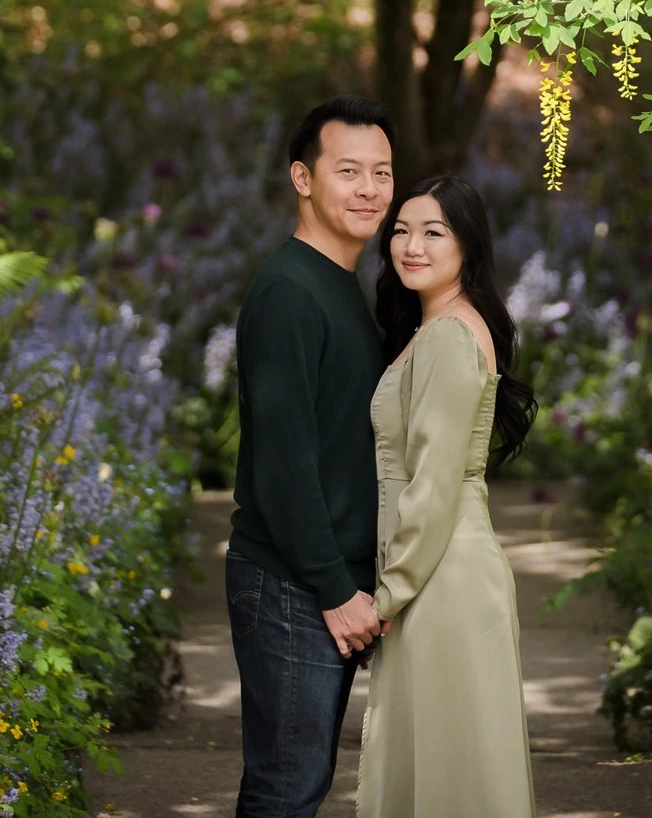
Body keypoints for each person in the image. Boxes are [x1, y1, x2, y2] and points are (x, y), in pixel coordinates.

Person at [228, 97, 395, 818]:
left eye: (382, 172)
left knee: (298, 783)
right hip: (294, 586)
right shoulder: (290, 293)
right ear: (303, 177)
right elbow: (284, 463)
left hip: (321, 582)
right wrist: (334, 589)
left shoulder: (341, 284)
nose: (369, 189)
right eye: (348, 170)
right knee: (285, 790)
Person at [359, 173, 538, 818]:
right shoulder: (440, 329)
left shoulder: (446, 338)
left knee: (450, 774)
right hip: (441, 568)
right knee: (442, 766)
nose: (412, 246)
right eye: (401, 231)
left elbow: (433, 483)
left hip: (440, 575)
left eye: (434, 232)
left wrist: (388, 594)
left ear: (468, 245)